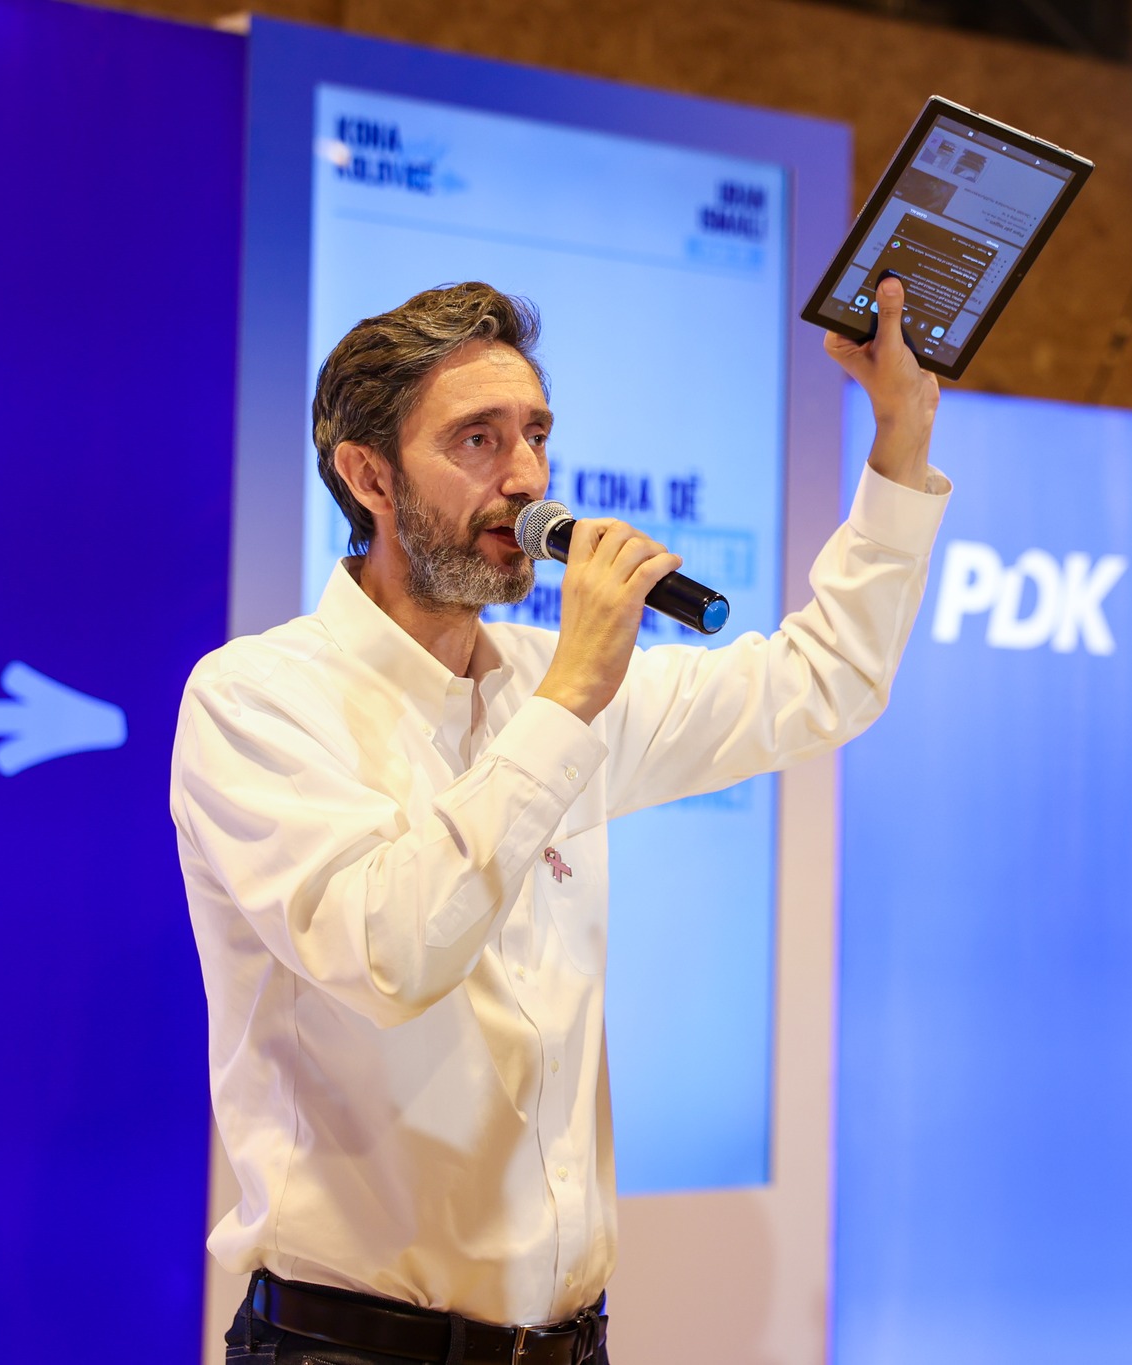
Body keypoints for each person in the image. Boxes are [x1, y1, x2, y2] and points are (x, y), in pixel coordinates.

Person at [170, 275, 946, 1364]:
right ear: (369, 476)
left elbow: (823, 683)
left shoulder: (551, 679)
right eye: (477, 440)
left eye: (535, 435)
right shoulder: (258, 700)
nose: (526, 478)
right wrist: (570, 696)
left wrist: (901, 437)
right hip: (351, 1349)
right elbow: (390, 957)